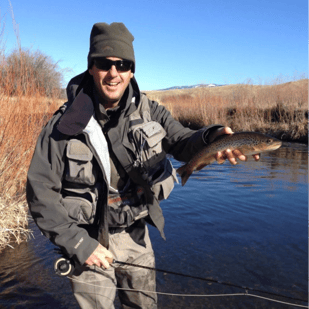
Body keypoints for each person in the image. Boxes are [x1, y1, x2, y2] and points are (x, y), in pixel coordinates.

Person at [26, 22, 259, 309]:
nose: (114, 73)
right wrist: (77, 244)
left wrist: (212, 137)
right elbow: (40, 194)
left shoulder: (152, 111)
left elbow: (183, 142)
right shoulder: (63, 125)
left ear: (131, 70)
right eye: (104, 63)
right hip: (87, 238)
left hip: (136, 233)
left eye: (122, 64)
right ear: (91, 67)